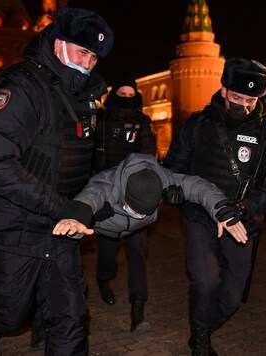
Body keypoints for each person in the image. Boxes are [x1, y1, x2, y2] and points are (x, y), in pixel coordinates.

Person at [0, 8, 114, 355]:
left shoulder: (85, 97)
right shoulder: (20, 86)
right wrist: (62, 205)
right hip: (12, 227)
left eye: (94, 56)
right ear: (59, 43)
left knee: (71, 319)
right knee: (12, 315)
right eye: (82, 52)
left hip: (61, 227)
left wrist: (94, 201)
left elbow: (86, 160)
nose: (89, 63)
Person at [161, 58, 266, 355]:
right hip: (201, 217)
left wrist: (248, 206)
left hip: (243, 222)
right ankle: (200, 340)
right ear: (224, 90)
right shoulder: (199, 124)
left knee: (232, 296)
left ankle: (204, 326)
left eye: (251, 100)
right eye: (237, 97)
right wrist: (173, 190)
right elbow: (173, 166)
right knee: (205, 279)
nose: (244, 105)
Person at [51, 153, 247, 333]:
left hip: (136, 231)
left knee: (139, 253)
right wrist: (79, 216)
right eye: (136, 211)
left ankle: (138, 310)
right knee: (107, 257)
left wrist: (221, 210)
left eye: (146, 212)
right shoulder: (108, 183)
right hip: (105, 227)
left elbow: (199, 186)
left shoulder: (164, 179)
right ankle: (103, 279)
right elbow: (91, 195)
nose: (140, 216)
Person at [92, 77, 158, 333]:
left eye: (132, 94)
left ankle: (138, 308)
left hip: (134, 195)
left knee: (138, 249)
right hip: (106, 195)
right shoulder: (101, 121)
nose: (127, 97)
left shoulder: (143, 123)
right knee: (108, 249)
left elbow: (147, 154)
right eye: (122, 93)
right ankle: (103, 278)